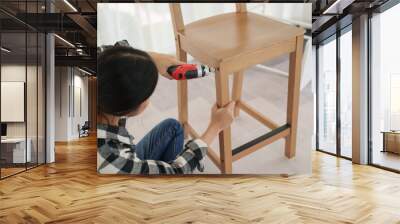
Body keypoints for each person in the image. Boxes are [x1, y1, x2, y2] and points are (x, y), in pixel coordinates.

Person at [97, 44, 235, 174]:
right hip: (126, 184)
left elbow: (109, 51)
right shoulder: (110, 157)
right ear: (129, 108)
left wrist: (151, 58)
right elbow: (176, 172)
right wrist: (215, 127)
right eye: (149, 94)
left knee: (173, 127)